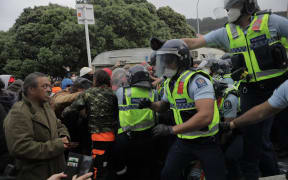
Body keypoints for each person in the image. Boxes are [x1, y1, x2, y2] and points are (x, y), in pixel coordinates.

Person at [181, 0, 288, 178]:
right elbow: (193, 42)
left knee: (277, 138)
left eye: (231, 7)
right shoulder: (227, 32)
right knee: (254, 143)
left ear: (246, 6)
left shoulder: (272, 22)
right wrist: (165, 44)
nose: (227, 11)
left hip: (281, 84)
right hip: (252, 91)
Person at [139, 39, 226, 180]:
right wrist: (150, 105)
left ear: (181, 60)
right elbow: (164, 106)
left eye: (169, 60)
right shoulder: (170, 82)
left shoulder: (198, 81)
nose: (165, 64)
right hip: (184, 141)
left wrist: (170, 130)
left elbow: (205, 117)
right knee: (167, 175)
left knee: (217, 177)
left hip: (206, 142)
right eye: (163, 60)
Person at [3, 72, 70, 180]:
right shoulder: (19, 112)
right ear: (31, 89)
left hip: (56, 170)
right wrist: (57, 145)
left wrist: (64, 136)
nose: (49, 89)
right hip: (36, 174)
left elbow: (58, 124)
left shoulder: (46, 105)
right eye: (44, 86)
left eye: (49, 85)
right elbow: (20, 148)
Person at [62, 70, 118, 180]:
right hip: (111, 135)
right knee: (107, 165)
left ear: (96, 80)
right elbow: (115, 113)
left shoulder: (88, 93)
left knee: (97, 167)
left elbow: (71, 110)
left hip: (97, 137)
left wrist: (62, 114)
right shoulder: (112, 94)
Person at [112, 64, 157, 180]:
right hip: (148, 137)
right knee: (145, 168)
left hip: (127, 137)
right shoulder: (153, 93)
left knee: (129, 169)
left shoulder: (122, 92)